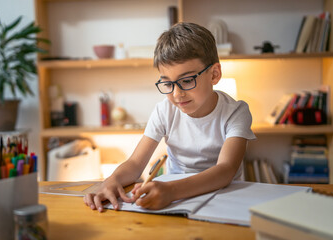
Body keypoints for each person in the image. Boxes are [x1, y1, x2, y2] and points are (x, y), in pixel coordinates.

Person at [83, 22, 256, 212]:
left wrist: (172, 191)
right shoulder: (164, 111)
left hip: (223, 198)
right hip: (175, 201)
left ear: (214, 74)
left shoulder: (236, 112)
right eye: (167, 83)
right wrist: (112, 180)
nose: (176, 94)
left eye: (187, 80)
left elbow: (225, 170)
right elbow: (135, 163)